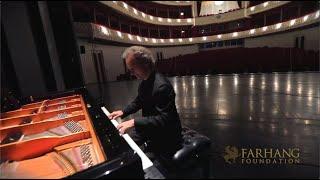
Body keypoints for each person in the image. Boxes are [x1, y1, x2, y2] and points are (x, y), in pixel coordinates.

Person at [108, 46, 182, 157]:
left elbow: (166, 119)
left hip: (166, 133)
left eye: (133, 68)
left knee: (141, 162)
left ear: (145, 64)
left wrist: (134, 122)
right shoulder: (145, 81)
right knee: (122, 145)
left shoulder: (162, 86)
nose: (131, 73)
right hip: (151, 127)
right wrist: (123, 112)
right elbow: (139, 101)